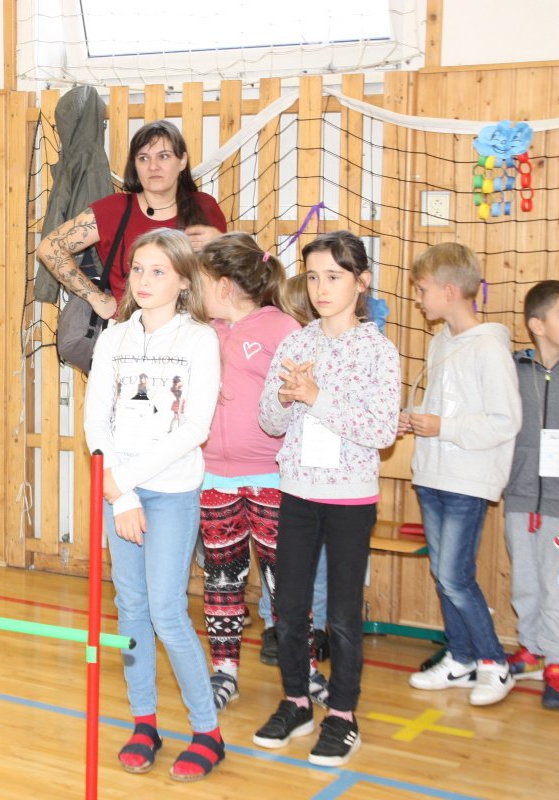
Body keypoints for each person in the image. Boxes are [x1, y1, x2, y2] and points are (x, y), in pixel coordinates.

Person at [252, 231, 399, 767]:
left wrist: (318, 397)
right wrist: (286, 397)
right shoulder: (296, 343)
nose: (321, 288)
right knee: (289, 609)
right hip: (297, 493)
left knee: (341, 613)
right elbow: (270, 422)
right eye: (313, 277)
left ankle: (342, 714)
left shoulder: (378, 351)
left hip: (349, 500)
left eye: (334, 277)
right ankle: (296, 702)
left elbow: (381, 430)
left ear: (361, 282)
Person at [84, 228, 224, 782]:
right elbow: (96, 421)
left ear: (184, 280)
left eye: (158, 271)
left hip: (170, 492)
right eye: (138, 269)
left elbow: (193, 429)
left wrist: (125, 483)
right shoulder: (114, 338)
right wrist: (122, 494)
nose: (143, 280)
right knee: (132, 609)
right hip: (121, 494)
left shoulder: (199, 340)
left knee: (167, 611)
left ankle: (207, 731)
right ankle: (144, 722)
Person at [402, 242, 521, 706]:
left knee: (455, 576)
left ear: (450, 291)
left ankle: (494, 662)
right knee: (443, 573)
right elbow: (443, 406)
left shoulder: (489, 347)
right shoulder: (440, 342)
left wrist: (442, 427)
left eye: (422, 290)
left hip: (466, 480)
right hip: (434, 475)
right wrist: (415, 418)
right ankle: (461, 657)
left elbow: (504, 421)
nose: (418, 299)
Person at [193, 232, 300, 710]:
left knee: (285, 583)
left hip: (272, 479)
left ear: (222, 285)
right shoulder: (204, 331)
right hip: (214, 478)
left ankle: (303, 674)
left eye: (199, 280)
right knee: (222, 580)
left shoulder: (282, 329)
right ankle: (224, 671)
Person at [35, 120, 227, 322]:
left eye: (163, 156)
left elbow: (229, 279)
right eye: (143, 158)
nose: (153, 166)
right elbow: (49, 247)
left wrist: (220, 244)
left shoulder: (204, 207)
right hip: (130, 331)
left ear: (182, 161)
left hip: (193, 330)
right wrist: (97, 298)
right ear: (135, 165)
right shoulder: (114, 209)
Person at [258, 275, 331, 669]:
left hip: (325, 478)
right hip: (290, 474)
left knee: (315, 560)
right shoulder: (289, 352)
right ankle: (275, 624)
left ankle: (315, 628)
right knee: (278, 556)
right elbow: (272, 415)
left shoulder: (327, 356)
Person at [504, 280, 559, 708]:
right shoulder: (514, 370)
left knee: (556, 585)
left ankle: (557, 660)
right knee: (525, 579)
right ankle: (531, 646)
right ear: (537, 325)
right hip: (520, 496)